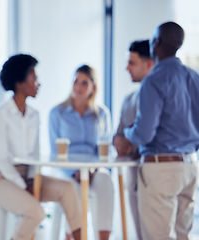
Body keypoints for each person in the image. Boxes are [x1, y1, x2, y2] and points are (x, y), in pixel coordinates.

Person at [0, 54, 81, 240]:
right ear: (20, 82)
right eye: (34, 78)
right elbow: (3, 160)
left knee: (68, 189)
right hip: (1, 179)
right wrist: (24, 185)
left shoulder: (34, 115)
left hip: (28, 177)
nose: (39, 83)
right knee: (37, 212)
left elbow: (35, 155)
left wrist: (31, 180)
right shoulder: (0, 115)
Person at [124, 21, 199, 240]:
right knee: (182, 235)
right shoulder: (195, 79)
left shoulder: (153, 81)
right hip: (190, 167)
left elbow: (144, 134)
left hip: (161, 170)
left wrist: (129, 133)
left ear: (155, 43)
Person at [49, 65, 113, 240]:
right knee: (73, 189)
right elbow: (54, 152)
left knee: (106, 181)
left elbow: (107, 149)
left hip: (94, 169)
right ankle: (72, 237)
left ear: (93, 87)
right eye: (76, 81)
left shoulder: (102, 114)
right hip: (66, 171)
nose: (78, 86)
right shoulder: (57, 113)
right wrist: (73, 172)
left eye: (84, 83)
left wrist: (93, 169)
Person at [113, 39, 154, 240]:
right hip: (132, 174)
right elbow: (118, 133)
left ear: (149, 64)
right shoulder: (128, 100)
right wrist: (119, 141)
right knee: (139, 231)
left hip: (154, 172)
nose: (126, 68)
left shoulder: (160, 97)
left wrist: (130, 138)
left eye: (132, 63)